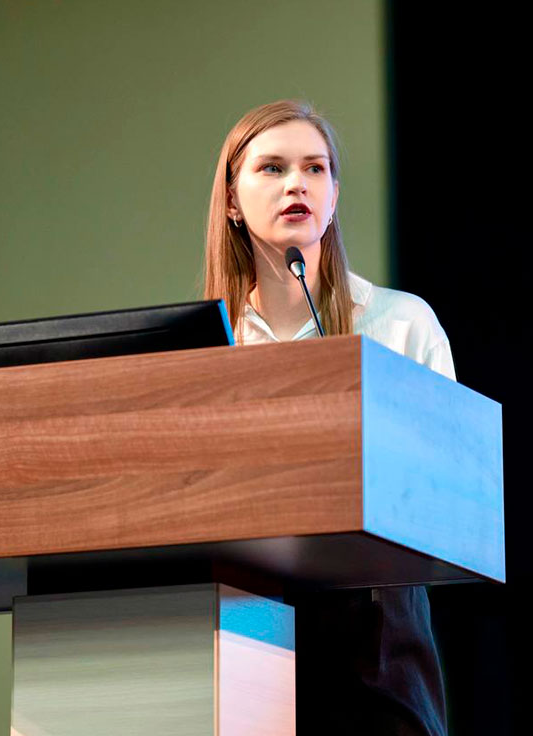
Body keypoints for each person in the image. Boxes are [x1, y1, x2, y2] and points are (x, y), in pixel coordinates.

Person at [202, 100, 452, 735]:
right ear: (231, 201)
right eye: (273, 168)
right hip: (242, 625)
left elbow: (446, 493)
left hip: (374, 633)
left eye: (315, 168)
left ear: (334, 196)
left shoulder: (400, 324)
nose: (297, 184)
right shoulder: (211, 347)